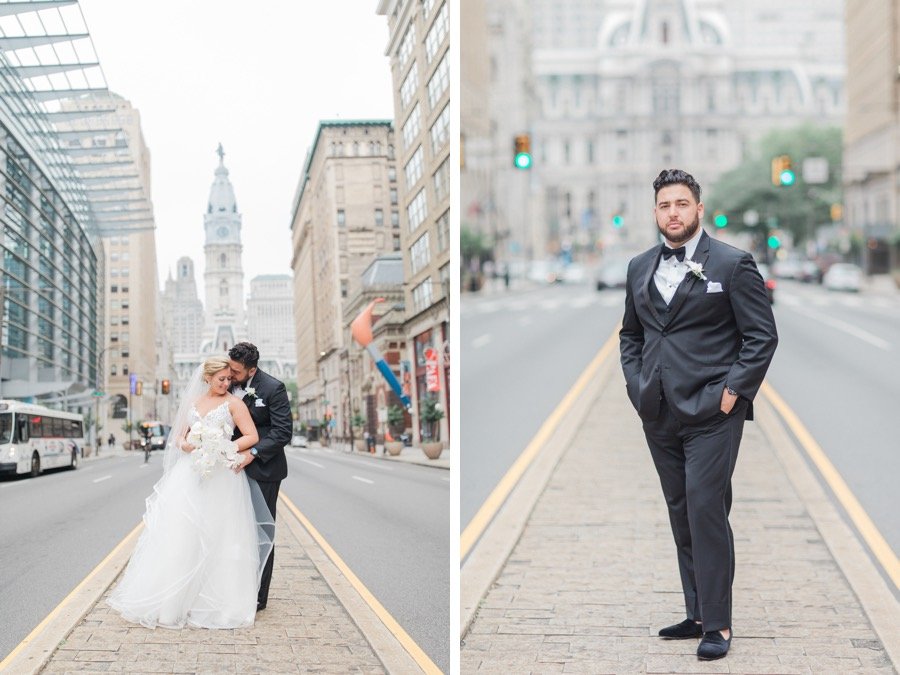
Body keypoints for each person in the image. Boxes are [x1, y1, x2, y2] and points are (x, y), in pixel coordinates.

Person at [619, 169, 778, 661]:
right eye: (665, 205)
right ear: (655, 213)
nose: (674, 213)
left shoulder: (732, 264)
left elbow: (761, 337)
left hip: (713, 411)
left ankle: (720, 625)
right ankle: (697, 612)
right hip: (659, 413)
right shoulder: (639, 266)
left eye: (682, 204)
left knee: (706, 509)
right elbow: (631, 335)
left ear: (698, 209)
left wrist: (732, 393)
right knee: (681, 513)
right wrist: (636, 385)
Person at [107, 356, 274, 629]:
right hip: (189, 473)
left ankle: (216, 604)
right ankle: (173, 604)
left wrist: (222, 447)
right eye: (221, 379)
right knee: (183, 534)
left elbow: (251, 436)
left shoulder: (234, 404)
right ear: (206, 378)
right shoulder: (193, 404)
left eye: (229, 379)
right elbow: (179, 436)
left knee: (220, 534)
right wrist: (186, 446)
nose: (227, 383)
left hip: (221, 476)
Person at [227, 342, 292, 612]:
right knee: (232, 531)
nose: (230, 374)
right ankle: (231, 586)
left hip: (263, 469)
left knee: (260, 532)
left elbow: (282, 432)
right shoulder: (226, 383)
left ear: (252, 369)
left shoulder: (273, 388)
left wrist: (253, 452)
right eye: (229, 367)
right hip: (230, 468)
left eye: (236, 371)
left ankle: (257, 596)